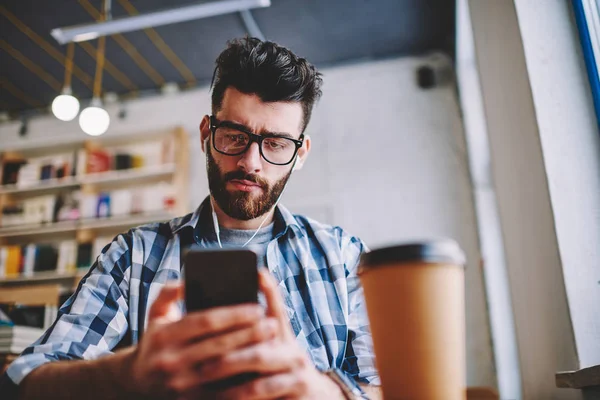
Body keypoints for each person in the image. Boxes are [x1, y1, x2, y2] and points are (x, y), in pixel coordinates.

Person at [0, 37, 381, 399]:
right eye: (234, 136)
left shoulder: (344, 257)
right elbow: (24, 380)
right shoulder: (134, 256)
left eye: (276, 144)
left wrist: (320, 390)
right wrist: (126, 373)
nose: (251, 162)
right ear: (206, 133)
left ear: (300, 154)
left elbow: (398, 385)